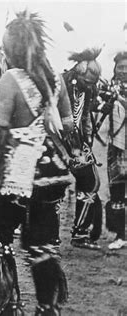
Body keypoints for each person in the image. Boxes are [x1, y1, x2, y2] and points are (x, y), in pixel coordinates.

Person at [0, 11, 73, 315]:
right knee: (42, 243)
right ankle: (48, 306)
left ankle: (10, 304)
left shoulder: (10, 78)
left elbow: (2, 126)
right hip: (51, 173)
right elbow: (69, 125)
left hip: (17, 174)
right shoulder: (56, 78)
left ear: (13, 50)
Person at [62, 47, 103, 250]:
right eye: (87, 81)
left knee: (91, 181)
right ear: (78, 74)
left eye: (93, 84)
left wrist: (86, 141)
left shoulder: (88, 89)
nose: (90, 86)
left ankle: (80, 232)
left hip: (76, 142)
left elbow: (85, 116)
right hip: (59, 141)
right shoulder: (61, 84)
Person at [106, 51, 127, 250]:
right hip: (117, 146)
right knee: (117, 190)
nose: (123, 71)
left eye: (126, 67)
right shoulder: (110, 88)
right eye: (120, 67)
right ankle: (120, 235)